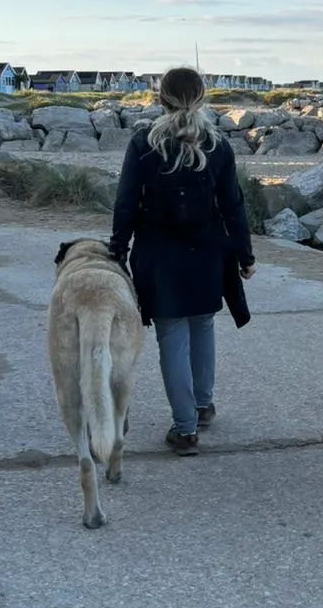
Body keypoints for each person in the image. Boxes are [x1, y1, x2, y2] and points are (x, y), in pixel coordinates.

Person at [109, 66, 255, 456]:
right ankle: (202, 407)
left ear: (161, 99)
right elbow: (233, 206)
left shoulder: (144, 143)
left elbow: (125, 203)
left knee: (172, 334)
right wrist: (245, 256)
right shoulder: (218, 145)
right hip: (208, 253)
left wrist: (117, 249)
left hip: (159, 256)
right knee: (203, 324)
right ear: (202, 98)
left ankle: (186, 429)